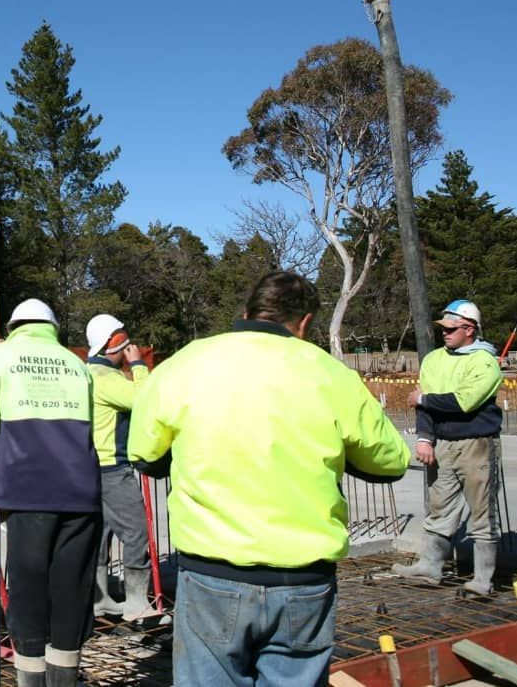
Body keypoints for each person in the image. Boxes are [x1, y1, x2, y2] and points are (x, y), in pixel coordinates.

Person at [129, 271, 410, 687]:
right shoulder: (330, 374)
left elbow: (145, 454)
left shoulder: (186, 363)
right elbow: (389, 462)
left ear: (246, 311)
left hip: (212, 575)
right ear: (306, 322)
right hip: (303, 579)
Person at [0, 298, 100, 687]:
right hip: (81, 491)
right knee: (71, 589)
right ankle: (64, 678)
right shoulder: (76, 363)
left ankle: (31, 680)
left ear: (14, 326)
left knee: (28, 589)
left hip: (27, 490)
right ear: (53, 327)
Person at [392, 299, 503, 594]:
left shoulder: (484, 362)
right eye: (443, 328)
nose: (445, 333)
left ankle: (482, 579)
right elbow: (425, 404)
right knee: (439, 509)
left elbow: (464, 402)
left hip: (476, 444)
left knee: (482, 512)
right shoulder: (433, 360)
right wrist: (425, 439)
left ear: (469, 329)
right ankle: (430, 566)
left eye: (451, 328)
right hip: (442, 445)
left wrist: (424, 399)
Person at [84, 313, 154, 621]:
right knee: (136, 532)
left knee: (100, 532)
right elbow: (146, 398)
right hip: (112, 467)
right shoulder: (107, 379)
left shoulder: (85, 374)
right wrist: (138, 365)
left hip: (89, 466)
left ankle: (100, 599)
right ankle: (137, 602)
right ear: (113, 345)